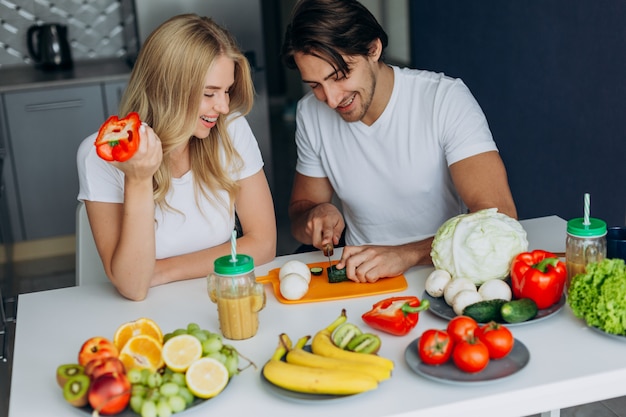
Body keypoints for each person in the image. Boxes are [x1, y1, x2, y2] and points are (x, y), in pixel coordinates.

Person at [281, 0, 517, 283]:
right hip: (361, 277)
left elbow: (499, 215)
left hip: (442, 274)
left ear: (373, 49)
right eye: (315, 85)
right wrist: (315, 216)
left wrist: (406, 254)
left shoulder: (444, 98)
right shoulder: (311, 113)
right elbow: (299, 214)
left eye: (340, 76)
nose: (330, 99)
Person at [77, 14, 276, 300]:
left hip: (219, 295)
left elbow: (264, 244)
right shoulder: (99, 155)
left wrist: (160, 271)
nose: (222, 106)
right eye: (209, 93)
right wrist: (139, 179)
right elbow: (134, 287)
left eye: (227, 91)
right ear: (167, 89)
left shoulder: (230, 129)